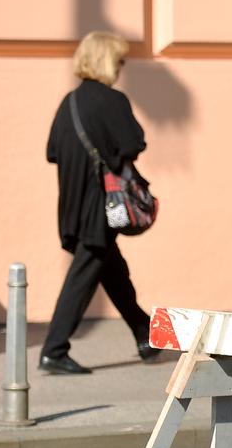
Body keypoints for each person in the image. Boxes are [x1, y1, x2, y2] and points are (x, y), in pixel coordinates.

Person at [41, 31, 159, 374]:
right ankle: (54, 349)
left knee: (113, 271)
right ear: (108, 60)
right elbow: (134, 143)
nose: (122, 67)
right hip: (102, 207)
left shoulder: (69, 103)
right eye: (120, 60)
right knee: (83, 275)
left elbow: (52, 152)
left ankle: (144, 335)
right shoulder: (113, 100)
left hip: (72, 204)